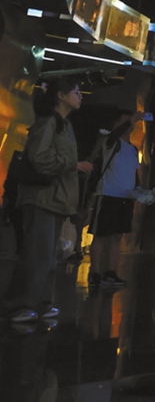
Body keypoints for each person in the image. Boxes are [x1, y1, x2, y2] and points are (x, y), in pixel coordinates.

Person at [4, 78, 92, 325]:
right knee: (38, 253)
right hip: (42, 198)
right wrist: (73, 165)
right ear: (61, 96)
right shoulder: (49, 124)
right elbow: (39, 157)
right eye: (76, 91)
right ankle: (21, 305)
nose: (80, 96)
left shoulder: (65, 126)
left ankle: (41, 303)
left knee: (49, 255)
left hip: (55, 199)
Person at [88, 111, 145, 289]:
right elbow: (113, 136)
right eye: (125, 121)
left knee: (116, 236)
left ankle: (110, 273)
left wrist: (139, 191)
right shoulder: (110, 142)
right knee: (101, 235)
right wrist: (132, 120)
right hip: (107, 194)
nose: (130, 124)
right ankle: (96, 273)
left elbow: (134, 173)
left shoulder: (133, 149)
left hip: (125, 198)